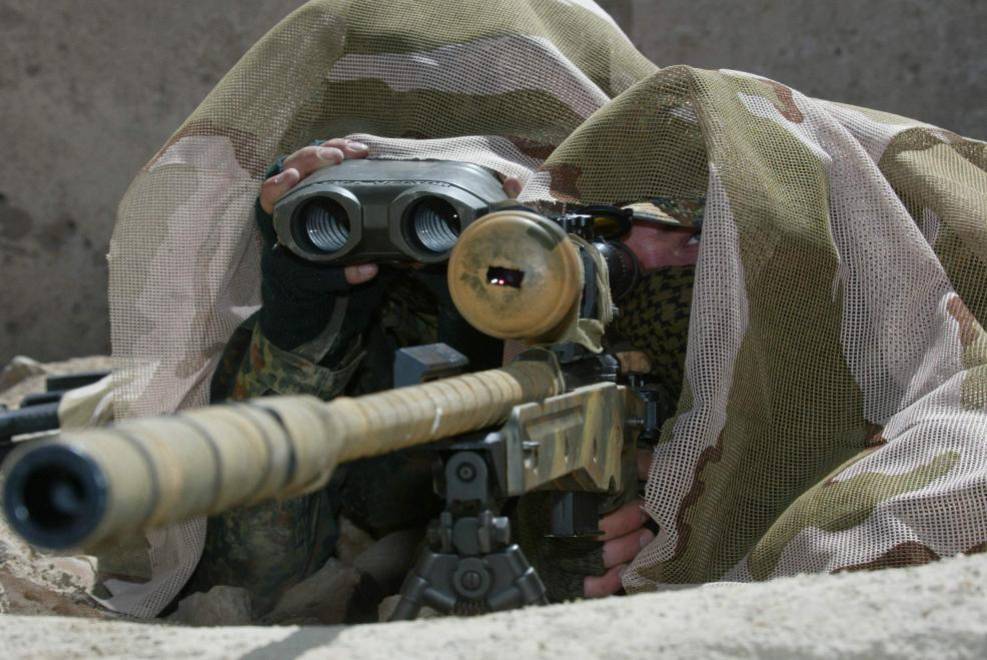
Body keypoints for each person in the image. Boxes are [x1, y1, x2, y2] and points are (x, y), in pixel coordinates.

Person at [183, 137, 702, 618]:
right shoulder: (404, 313)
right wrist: (298, 331)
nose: (631, 257)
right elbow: (255, 592)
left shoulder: (716, 357)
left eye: (691, 235)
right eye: (601, 227)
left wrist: (550, 571)